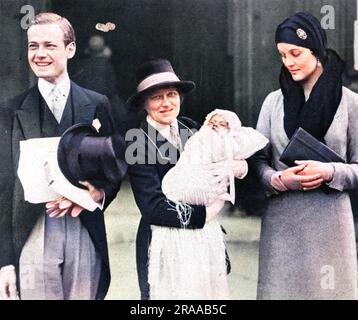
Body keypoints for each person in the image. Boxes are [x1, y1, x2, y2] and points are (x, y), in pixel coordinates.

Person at [0, 12, 119, 300]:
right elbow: (2, 189)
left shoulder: (96, 104)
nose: (40, 54)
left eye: (49, 46)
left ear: (70, 49)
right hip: (31, 231)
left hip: (84, 231)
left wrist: (97, 196)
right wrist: (4, 261)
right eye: (33, 46)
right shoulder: (11, 110)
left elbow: (114, 165)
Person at [251, 12, 358, 299]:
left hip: (330, 222)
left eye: (295, 53)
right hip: (282, 222)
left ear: (316, 49)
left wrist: (330, 172)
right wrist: (277, 179)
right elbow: (257, 161)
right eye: (282, 55)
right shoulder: (273, 102)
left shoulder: (350, 103)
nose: (288, 62)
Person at [125, 58, 238, 299]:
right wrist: (205, 214)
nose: (166, 103)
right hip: (164, 239)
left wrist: (236, 165)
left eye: (172, 94)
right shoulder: (137, 141)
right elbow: (152, 206)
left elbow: (218, 172)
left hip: (204, 240)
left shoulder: (194, 130)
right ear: (144, 103)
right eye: (156, 97)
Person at [162, 108, 268, 206]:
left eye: (221, 124)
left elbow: (252, 160)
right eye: (212, 123)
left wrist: (240, 166)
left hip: (210, 190)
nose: (215, 125)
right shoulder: (199, 136)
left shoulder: (188, 125)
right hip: (180, 185)